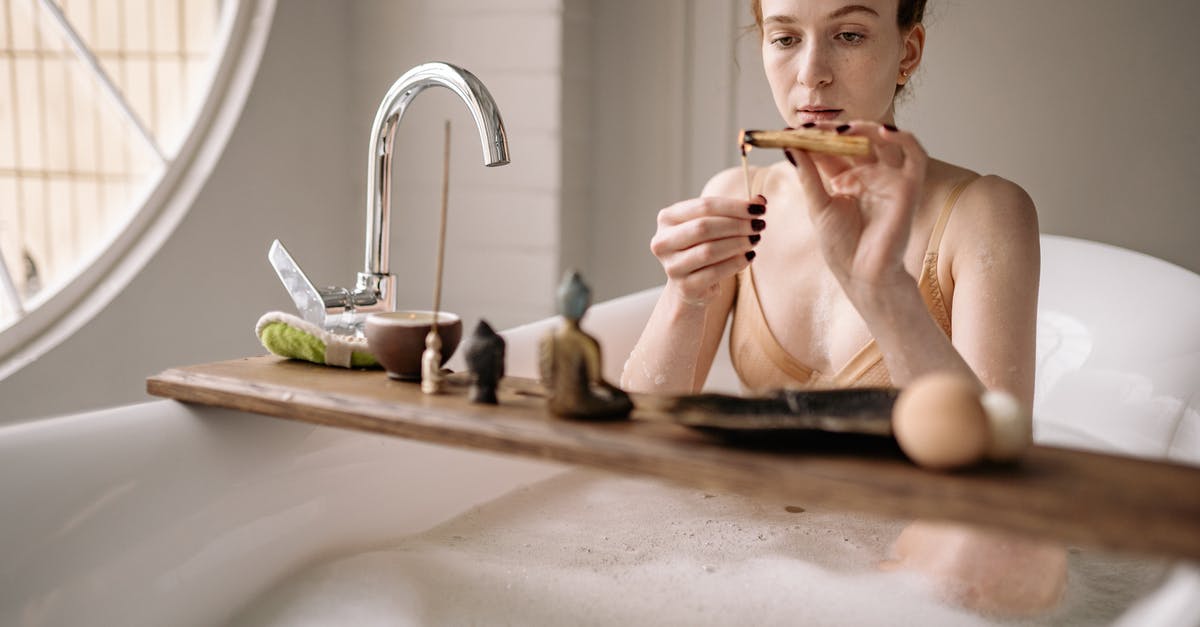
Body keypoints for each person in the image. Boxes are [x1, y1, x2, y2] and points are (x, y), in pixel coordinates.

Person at [620, 0, 1040, 415]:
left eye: (849, 35)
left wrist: (884, 290)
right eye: (785, 38)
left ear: (907, 52)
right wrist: (684, 295)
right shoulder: (737, 198)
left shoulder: (985, 214)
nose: (811, 75)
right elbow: (638, 429)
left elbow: (1000, 456)